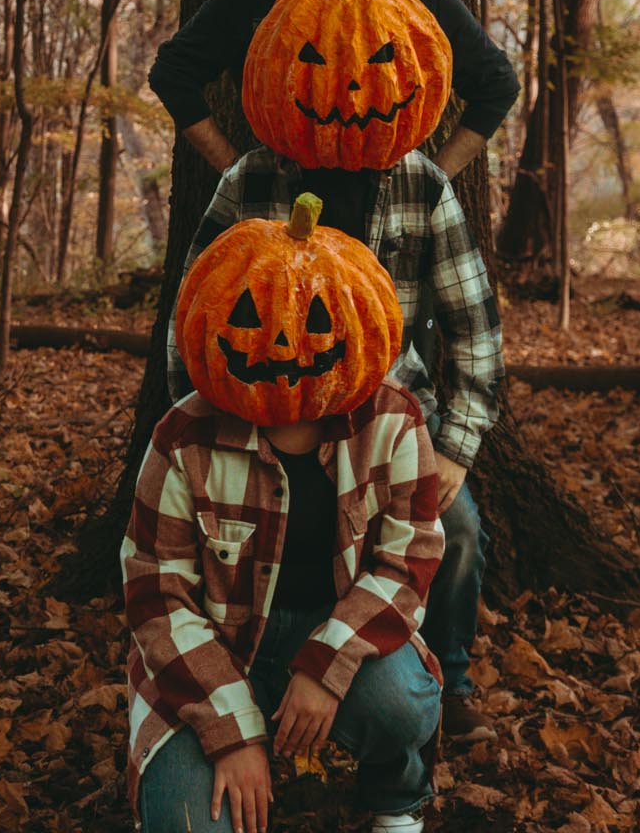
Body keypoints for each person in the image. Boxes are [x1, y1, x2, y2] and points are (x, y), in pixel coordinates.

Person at [125, 198, 444, 833]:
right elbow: (157, 597)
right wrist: (233, 733)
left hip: (334, 629)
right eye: (247, 317)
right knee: (188, 821)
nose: (279, 345)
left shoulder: (394, 421)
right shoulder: (182, 438)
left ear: (361, 326)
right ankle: (242, 743)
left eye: (318, 322)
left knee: (401, 702)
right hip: (216, 652)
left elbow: (408, 563)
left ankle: (396, 802)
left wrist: (326, 667)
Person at [168, 148, 502, 746]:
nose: (347, 87)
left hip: (390, 428)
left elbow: (473, 323)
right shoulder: (251, 178)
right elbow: (196, 304)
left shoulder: (420, 183)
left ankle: (447, 683)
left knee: (458, 532)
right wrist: (196, 431)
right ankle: (243, 675)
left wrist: (457, 445)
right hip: (253, 416)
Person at [147, 0, 519, 181]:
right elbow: (173, 74)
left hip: (392, 213)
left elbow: (498, 85)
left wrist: (436, 178)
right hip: (281, 211)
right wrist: (234, 170)